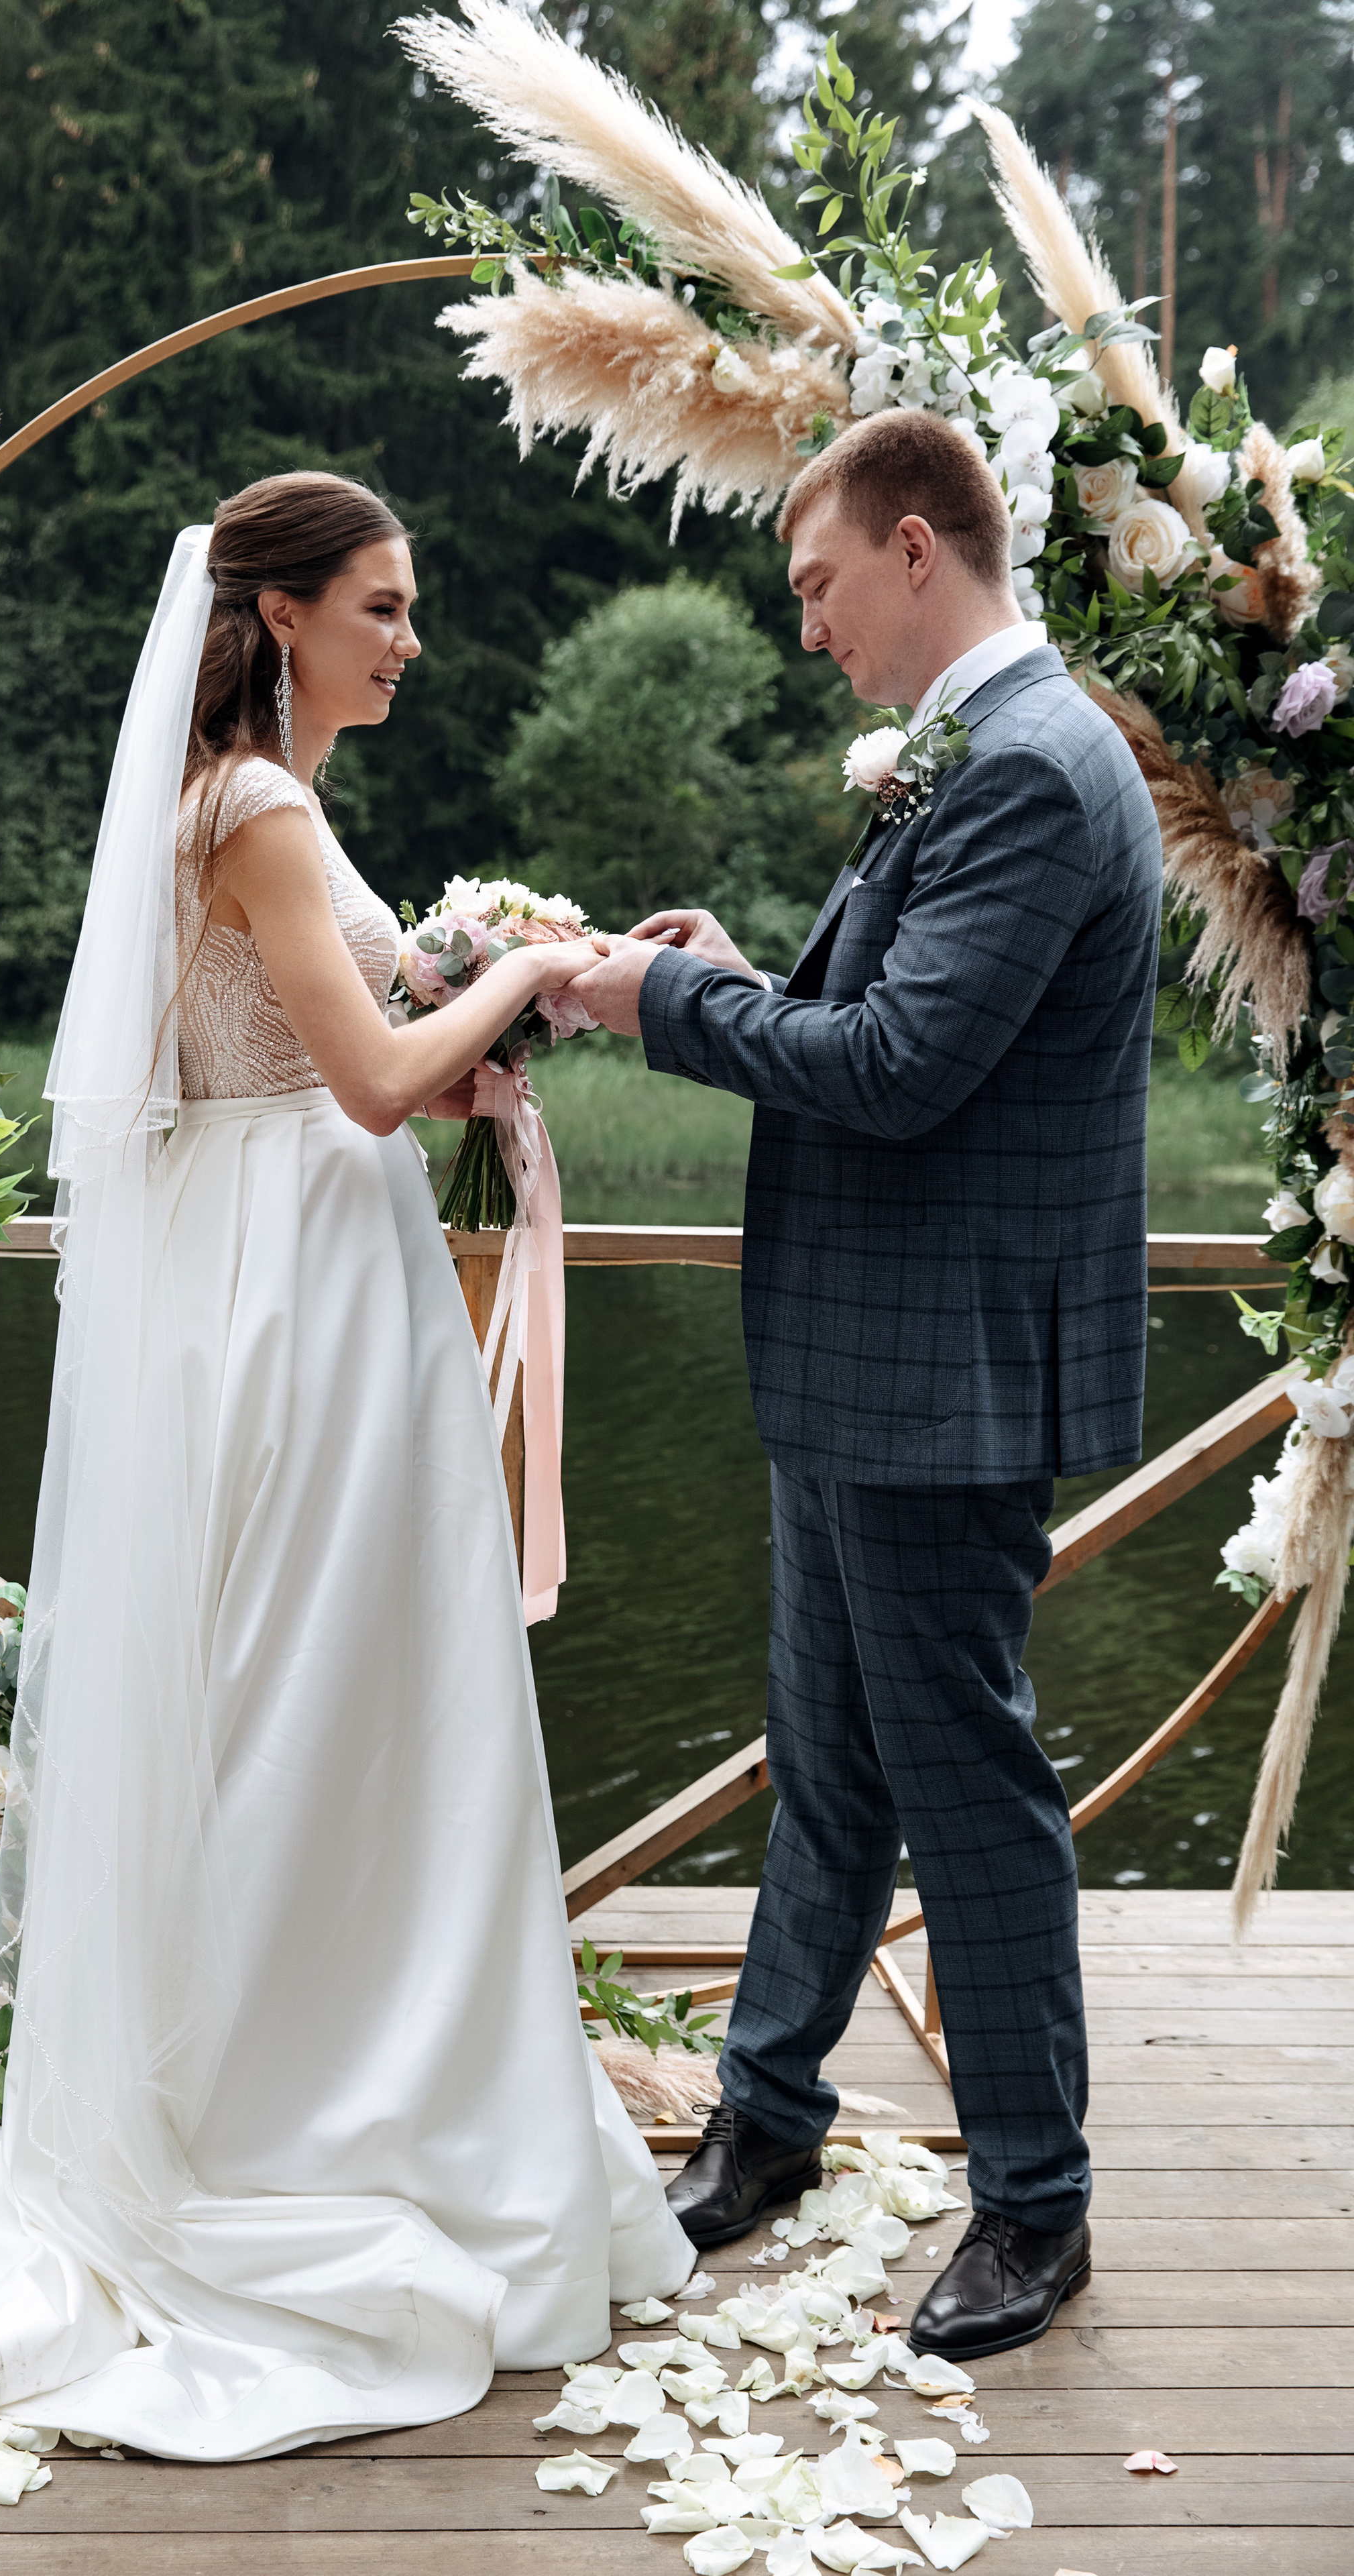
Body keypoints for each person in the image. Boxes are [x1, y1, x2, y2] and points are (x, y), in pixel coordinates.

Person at [0, 472, 691, 2456]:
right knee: (319, 1693)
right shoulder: (257, 810)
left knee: (324, 1692)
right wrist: (528, 972)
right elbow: (371, 1088)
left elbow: (317, 1043)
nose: (408, 640)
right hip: (303, 1294)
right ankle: (313, 2116)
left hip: (295, 1269)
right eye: (381, 605)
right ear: (282, 613)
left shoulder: (252, 804)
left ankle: (334, 2077)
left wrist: (468, 980)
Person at [565, 409, 1162, 2363]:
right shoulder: (985, 754)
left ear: (919, 548)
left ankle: (1038, 2206)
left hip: (940, 1380)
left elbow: (900, 1073)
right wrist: (751, 973)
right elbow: (904, 1019)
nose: (809, 625)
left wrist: (654, 1002)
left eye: (820, 583)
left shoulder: (1037, 769)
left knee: (968, 1789)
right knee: (824, 1763)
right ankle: (769, 2117)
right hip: (870, 1367)